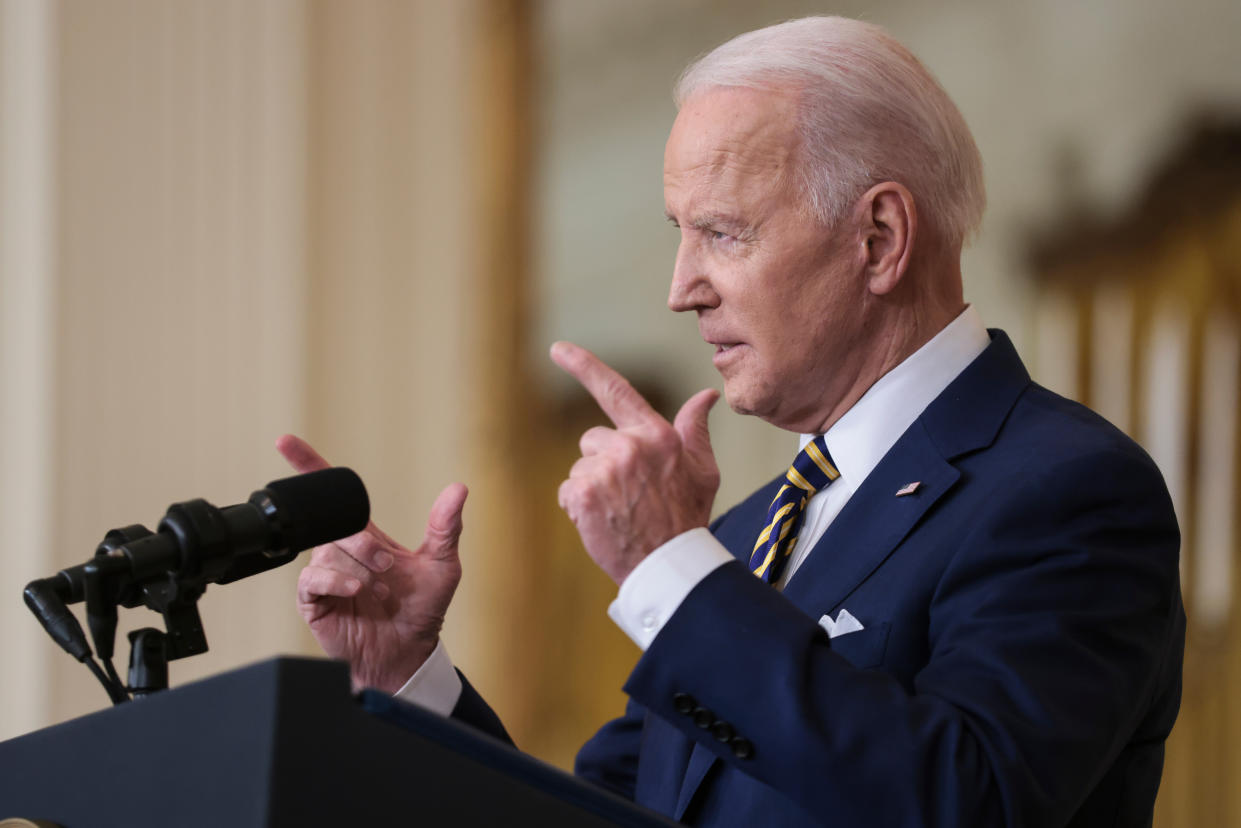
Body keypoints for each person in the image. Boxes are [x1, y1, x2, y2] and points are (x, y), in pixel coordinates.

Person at [278, 16, 1184, 827]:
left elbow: (967, 799)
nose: (680, 290)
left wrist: (672, 568)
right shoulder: (743, 537)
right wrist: (409, 679)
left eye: (722, 233)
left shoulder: (1063, 487)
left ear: (877, 239)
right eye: (679, 233)